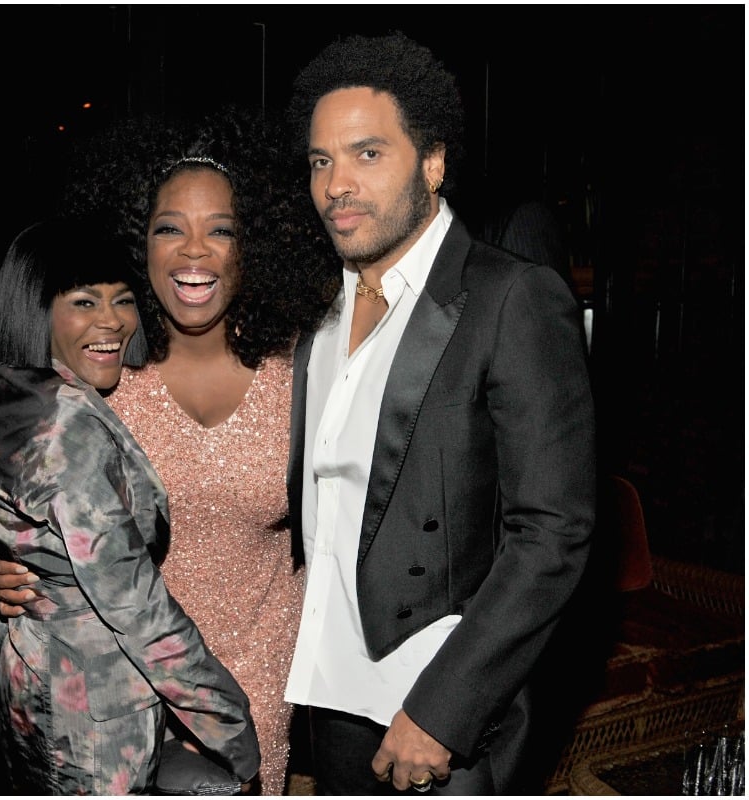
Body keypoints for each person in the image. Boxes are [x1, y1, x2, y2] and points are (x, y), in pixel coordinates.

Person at [0, 109, 339, 795]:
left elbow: (358, 523)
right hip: (116, 685)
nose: (193, 251)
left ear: (253, 245)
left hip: (258, 674)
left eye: (220, 229)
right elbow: (27, 474)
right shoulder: (101, 373)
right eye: (170, 227)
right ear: (137, 242)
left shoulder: (306, 371)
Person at [281, 32, 596, 795]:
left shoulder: (509, 297)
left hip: (442, 722)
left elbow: (552, 531)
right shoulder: (313, 308)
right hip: (327, 704)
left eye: (367, 154)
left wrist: (445, 712)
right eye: (321, 161)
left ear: (432, 163)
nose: (336, 185)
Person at [0, 217, 261, 795]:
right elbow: (137, 611)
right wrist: (235, 726)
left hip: (35, 685)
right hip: (94, 717)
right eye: (84, 301)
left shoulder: (12, 392)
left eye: (123, 300)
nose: (112, 321)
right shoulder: (66, 428)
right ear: (36, 308)